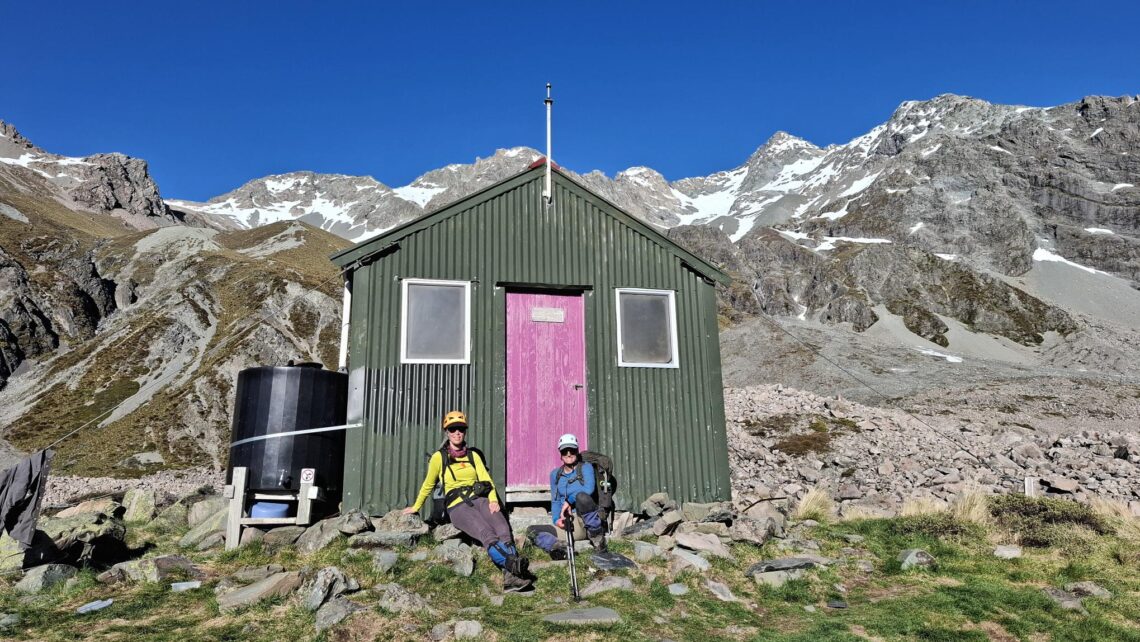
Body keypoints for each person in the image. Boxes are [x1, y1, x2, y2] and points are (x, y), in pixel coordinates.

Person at [403, 410, 531, 591]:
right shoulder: (439, 457)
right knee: (487, 533)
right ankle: (513, 566)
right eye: (453, 429)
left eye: (461, 429)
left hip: (479, 499)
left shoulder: (473, 455)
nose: (457, 433)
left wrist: (493, 500)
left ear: (465, 431)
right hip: (457, 506)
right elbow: (428, 484)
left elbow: (487, 480)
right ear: (446, 432)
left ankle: (510, 576)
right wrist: (416, 507)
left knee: (503, 528)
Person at [527, 433, 606, 558]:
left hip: (584, 522)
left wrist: (569, 501)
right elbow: (555, 500)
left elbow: (588, 489)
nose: (569, 454)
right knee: (532, 531)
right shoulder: (555, 475)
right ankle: (560, 547)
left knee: (582, 496)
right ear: (560, 453)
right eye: (565, 451)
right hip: (569, 524)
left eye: (572, 450)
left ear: (577, 450)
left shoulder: (586, 468)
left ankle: (597, 539)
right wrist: (557, 520)